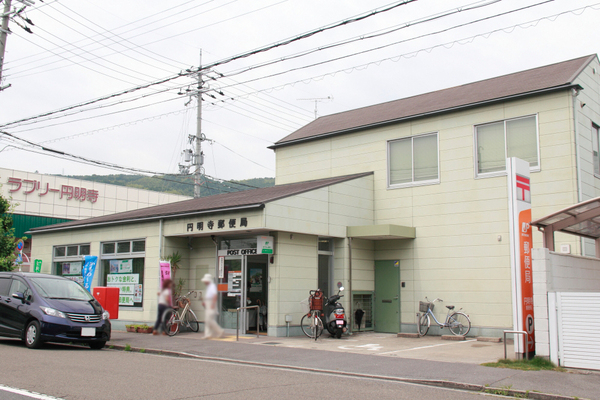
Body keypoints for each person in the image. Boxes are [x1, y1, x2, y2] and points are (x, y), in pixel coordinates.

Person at [201, 273, 224, 338]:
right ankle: (208, 334)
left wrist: (213, 304)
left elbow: (214, 295)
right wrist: (205, 302)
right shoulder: (209, 287)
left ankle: (219, 330)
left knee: (209, 319)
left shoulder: (212, 286)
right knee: (208, 319)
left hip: (211, 303)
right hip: (208, 302)